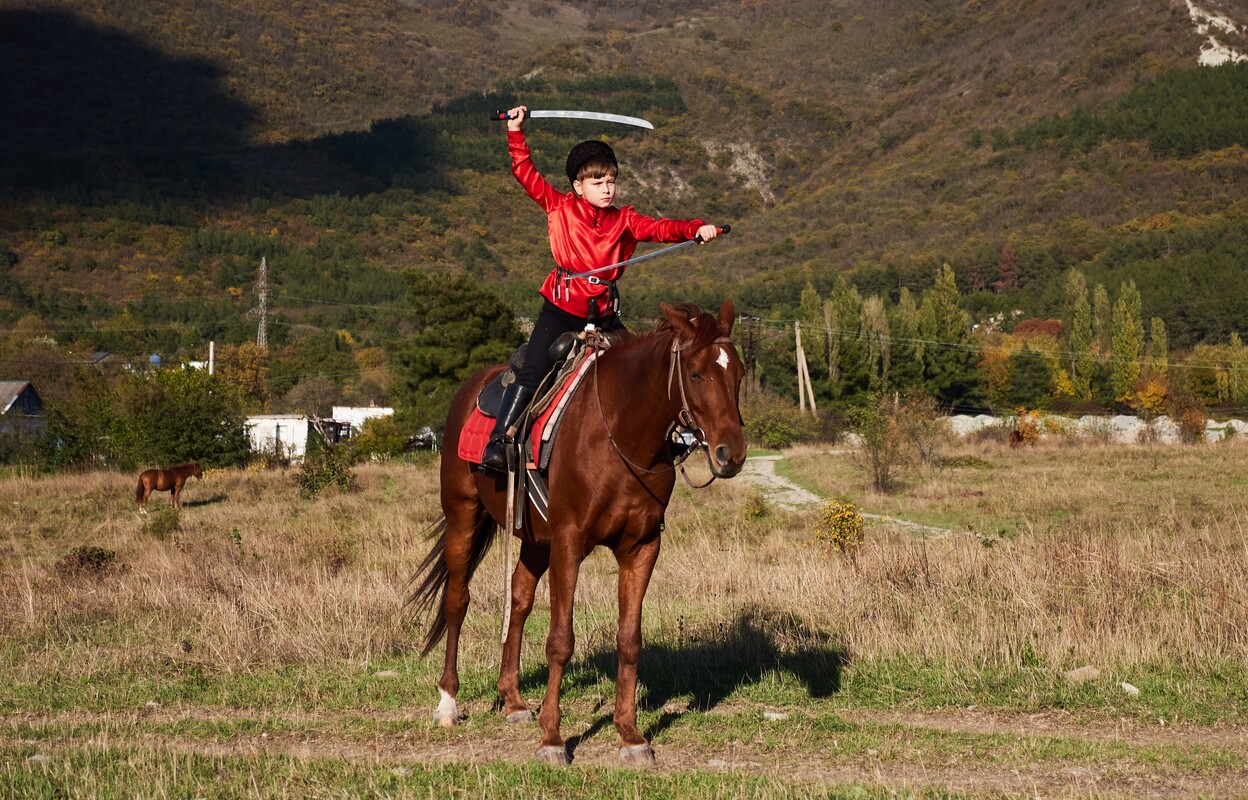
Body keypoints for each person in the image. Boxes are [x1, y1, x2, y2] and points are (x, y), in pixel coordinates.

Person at [480, 104, 719, 474]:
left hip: (606, 317)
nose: (607, 189)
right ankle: (500, 441)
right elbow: (524, 172)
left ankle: (664, 440)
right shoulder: (558, 206)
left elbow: (661, 228)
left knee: (645, 371)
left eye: (611, 181)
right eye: (597, 182)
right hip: (560, 310)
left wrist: (695, 229)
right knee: (532, 369)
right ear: (578, 186)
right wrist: (515, 132)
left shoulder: (625, 219)